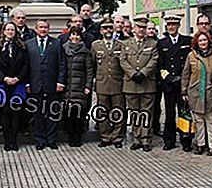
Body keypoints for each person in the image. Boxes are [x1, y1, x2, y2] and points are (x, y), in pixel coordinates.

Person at [25, 19, 66, 150]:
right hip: (35, 84)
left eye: (45, 27)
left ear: (49, 29)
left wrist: (60, 82)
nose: (43, 30)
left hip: (52, 84)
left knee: (53, 113)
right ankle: (40, 140)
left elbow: (62, 64)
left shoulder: (56, 43)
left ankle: (51, 139)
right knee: (38, 114)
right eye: (40, 27)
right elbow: (26, 66)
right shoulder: (29, 44)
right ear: (36, 29)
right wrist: (27, 83)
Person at [120, 16, 159, 152]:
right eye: (139, 27)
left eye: (143, 28)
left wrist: (143, 73)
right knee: (134, 112)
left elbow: (154, 60)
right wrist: (132, 74)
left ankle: (146, 138)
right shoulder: (126, 44)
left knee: (147, 112)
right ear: (134, 29)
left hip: (147, 83)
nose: (141, 30)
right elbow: (123, 61)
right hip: (131, 83)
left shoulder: (152, 43)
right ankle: (136, 138)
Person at [181, 31, 212, 156]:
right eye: (200, 41)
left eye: (205, 40)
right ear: (196, 43)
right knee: (198, 120)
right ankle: (200, 144)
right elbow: (186, 74)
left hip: (210, 90)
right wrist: (184, 90)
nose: (203, 43)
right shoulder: (191, 56)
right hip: (196, 91)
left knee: (211, 119)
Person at [0, 22, 29, 151]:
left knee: (16, 112)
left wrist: (18, 78)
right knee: (5, 112)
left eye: (12, 30)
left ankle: (14, 140)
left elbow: (25, 65)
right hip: (2, 84)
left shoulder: (22, 46)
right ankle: (7, 141)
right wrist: (4, 78)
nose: (10, 32)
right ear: (3, 31)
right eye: (8, 29)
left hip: (17, 83)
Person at [157, 14, 192, 151]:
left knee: (184, 113)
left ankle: (186, 140)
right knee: (170, 113)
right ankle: (169, 140)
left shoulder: (186, 41)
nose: (171, 27)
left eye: (174, 25)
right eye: (169, 25)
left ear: (178, 26)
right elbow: (160, 65)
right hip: (169, 84)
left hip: (182, 84)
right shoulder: (162, 43)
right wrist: (168, 78)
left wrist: (182, 79)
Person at [91, 17, 125, 148]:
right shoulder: (95, 45)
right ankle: (105, 136)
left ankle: (117, 137)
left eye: (110, 27)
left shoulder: (120, 45)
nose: (108, 30)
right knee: (102, 111)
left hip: (117, 83)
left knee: (118, 111)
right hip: (102, 83)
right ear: (101, 30)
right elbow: (93, 64)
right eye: (105, 28)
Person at [62, 27, 94, 147]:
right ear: (69, 36)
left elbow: (89, 71)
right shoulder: (64, 49)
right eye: (73, 34)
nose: (75, 37)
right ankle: (70, 137)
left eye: (77, 35)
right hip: (67, 87)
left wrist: (88, 86)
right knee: (68, 114)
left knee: (79, 114)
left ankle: (77, 137)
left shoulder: (85, 52)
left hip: (80, 87)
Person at [146, 21, 163, 137]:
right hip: (145, 79)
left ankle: (155, 126)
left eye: (153, 29)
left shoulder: (159, 43)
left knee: (156, 106)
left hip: (157, 79)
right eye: (149, 28)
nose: (151, 31)